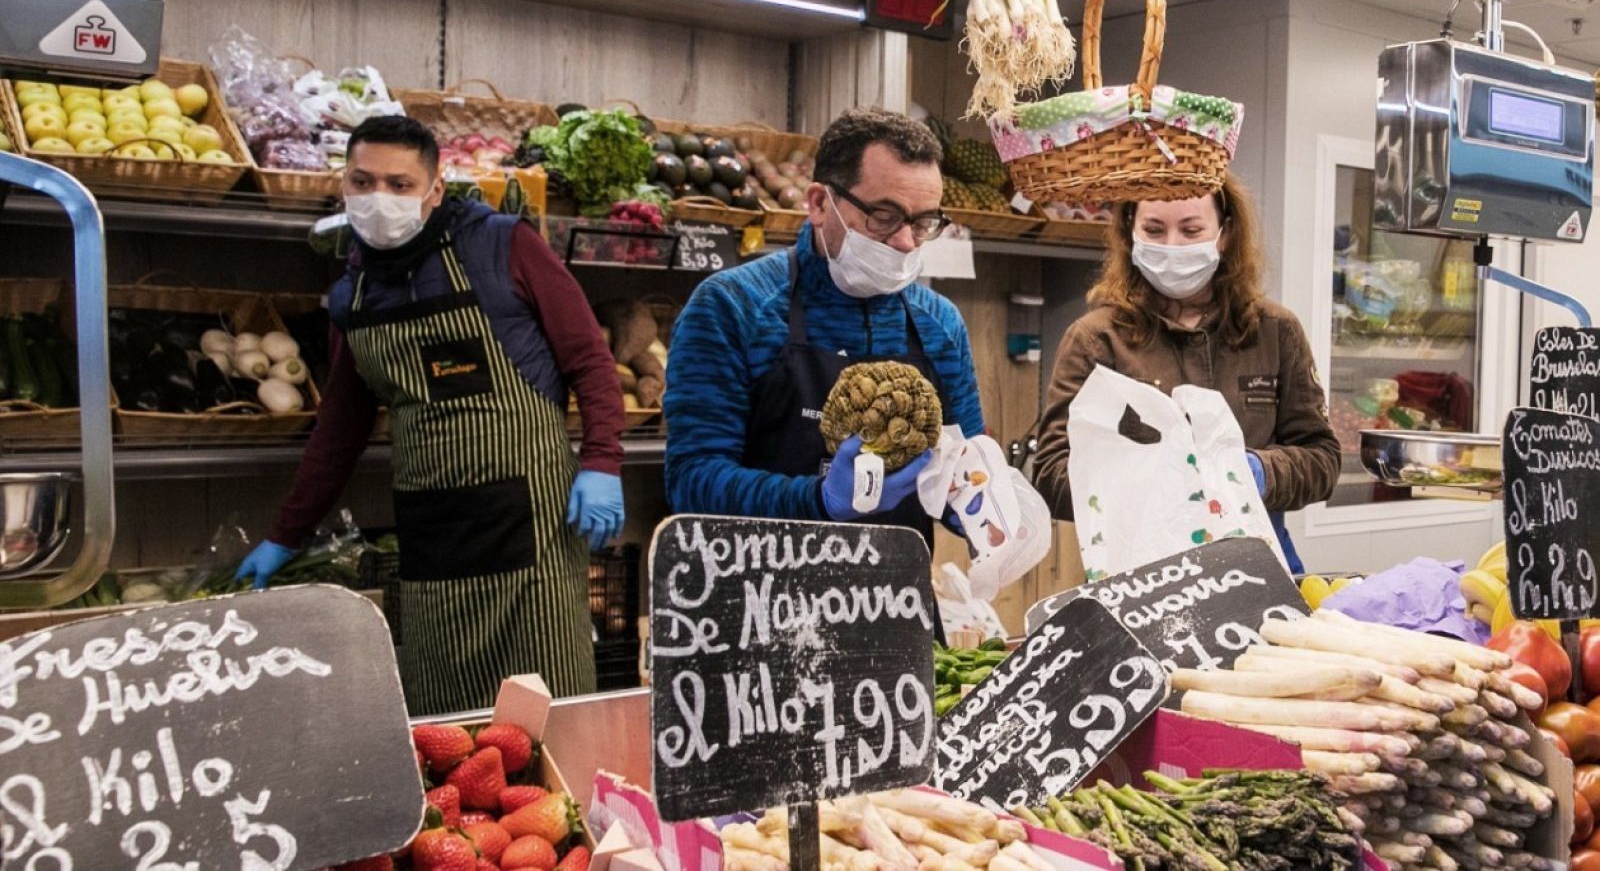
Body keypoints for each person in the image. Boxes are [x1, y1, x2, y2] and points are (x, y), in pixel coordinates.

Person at [235, 116, 624, 712]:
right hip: (433, 536)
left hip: (533, 530)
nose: (379, 198)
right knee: (443, 725)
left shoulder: (503, 246)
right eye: (363, 181)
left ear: (435, 189)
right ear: (343, 184)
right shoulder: (353, 295)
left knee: (551, 708)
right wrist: (286, 534)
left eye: (399, 184)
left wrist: (602, 460)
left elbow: (590, 362)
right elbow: (340, 428)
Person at [664, 108, 985, 544]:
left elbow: (962, 470)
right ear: (819, 204)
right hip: (759, 598)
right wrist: (817, 501)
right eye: (885, 216)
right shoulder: (732, 307)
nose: (906, 241)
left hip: (891, 599)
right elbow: (692, 479)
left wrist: (982, 508)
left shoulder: (939, 324)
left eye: (924, 221)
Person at [1031, 174, 1339, 573]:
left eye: (1191, 230)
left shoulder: (1275, 331)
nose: (1172, 246)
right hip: (1141, 576)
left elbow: (1323, 460)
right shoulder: (1095, 340)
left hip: (1260, 564)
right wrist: (1156, 483)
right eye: (1154, 230)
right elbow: (1052, 473)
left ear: (1225, 233)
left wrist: (1254, 473)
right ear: (1131, 231)